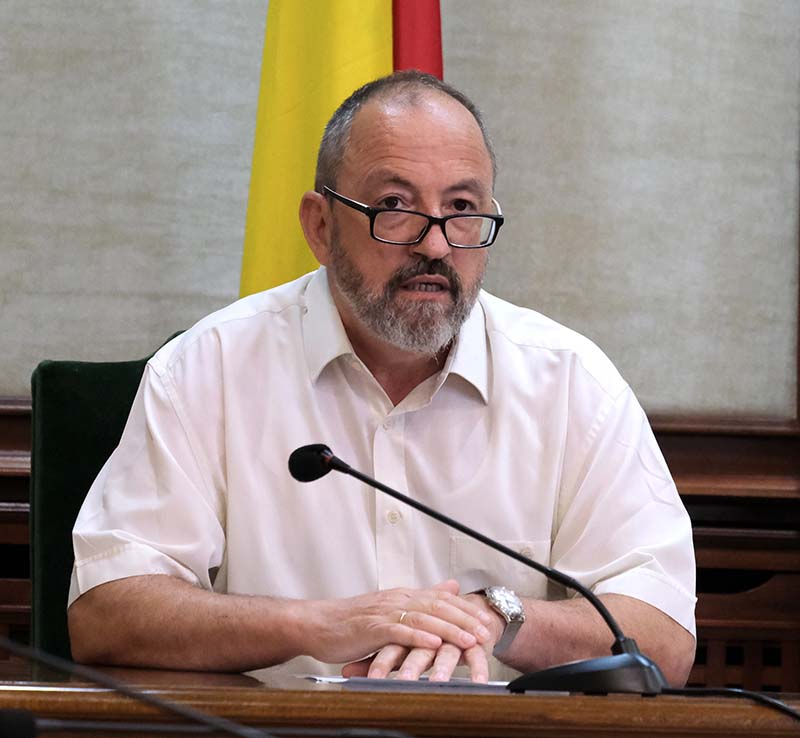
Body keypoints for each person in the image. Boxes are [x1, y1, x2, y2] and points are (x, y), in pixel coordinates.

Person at [68, 71, 696, 685]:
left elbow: (663, 639)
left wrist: (493, 618)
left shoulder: (571, 384)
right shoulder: (209, 369)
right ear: (320, 226)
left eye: (462, 208)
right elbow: (106, 613)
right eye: (395, 206)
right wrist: (322, 626)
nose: (437, 245)